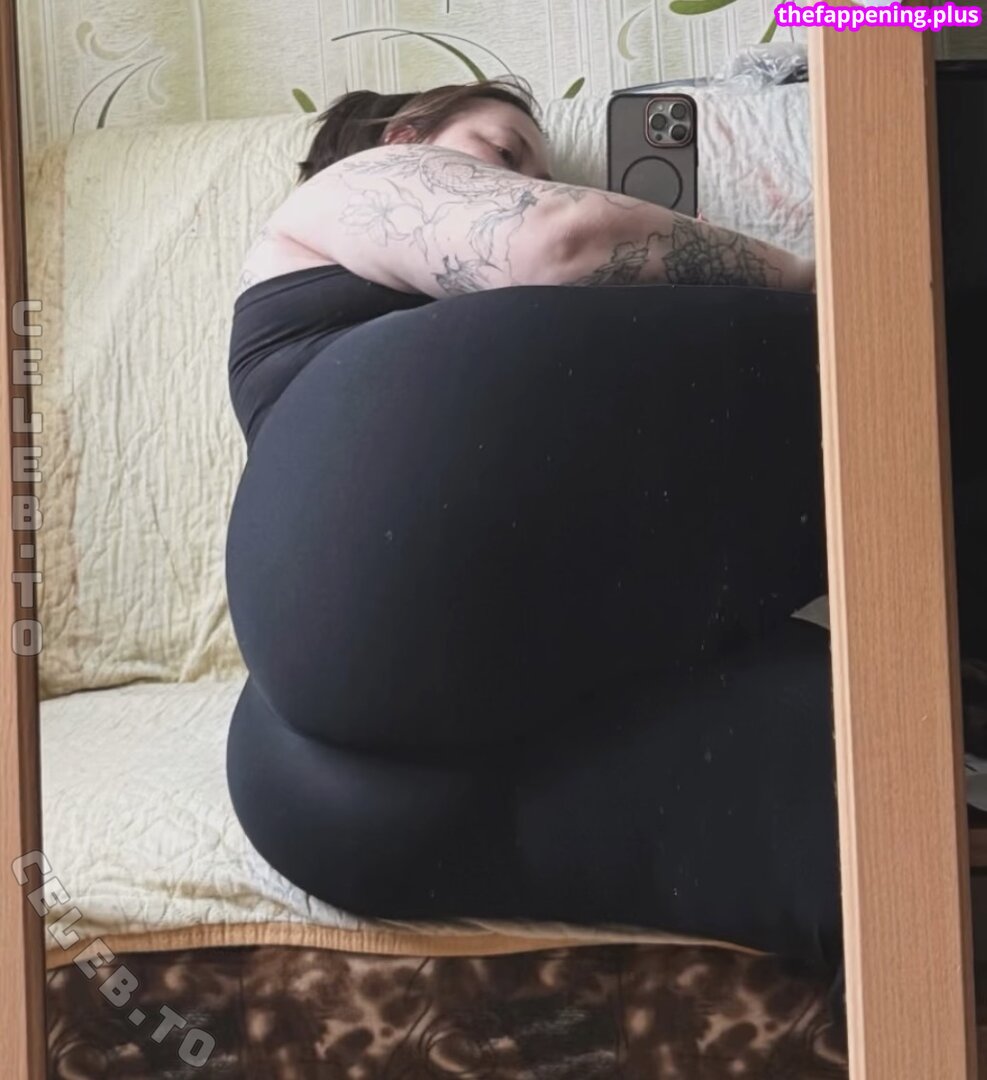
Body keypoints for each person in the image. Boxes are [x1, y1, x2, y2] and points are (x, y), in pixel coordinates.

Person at [224, 78, 844, 1037]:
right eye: (503, 154)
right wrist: (827, 285)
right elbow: (560, 242)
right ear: (404, 137)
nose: (522, 180)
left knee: (864, 803)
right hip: (378, 549)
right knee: (924, 359)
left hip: (320, 765)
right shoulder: (350, 187)